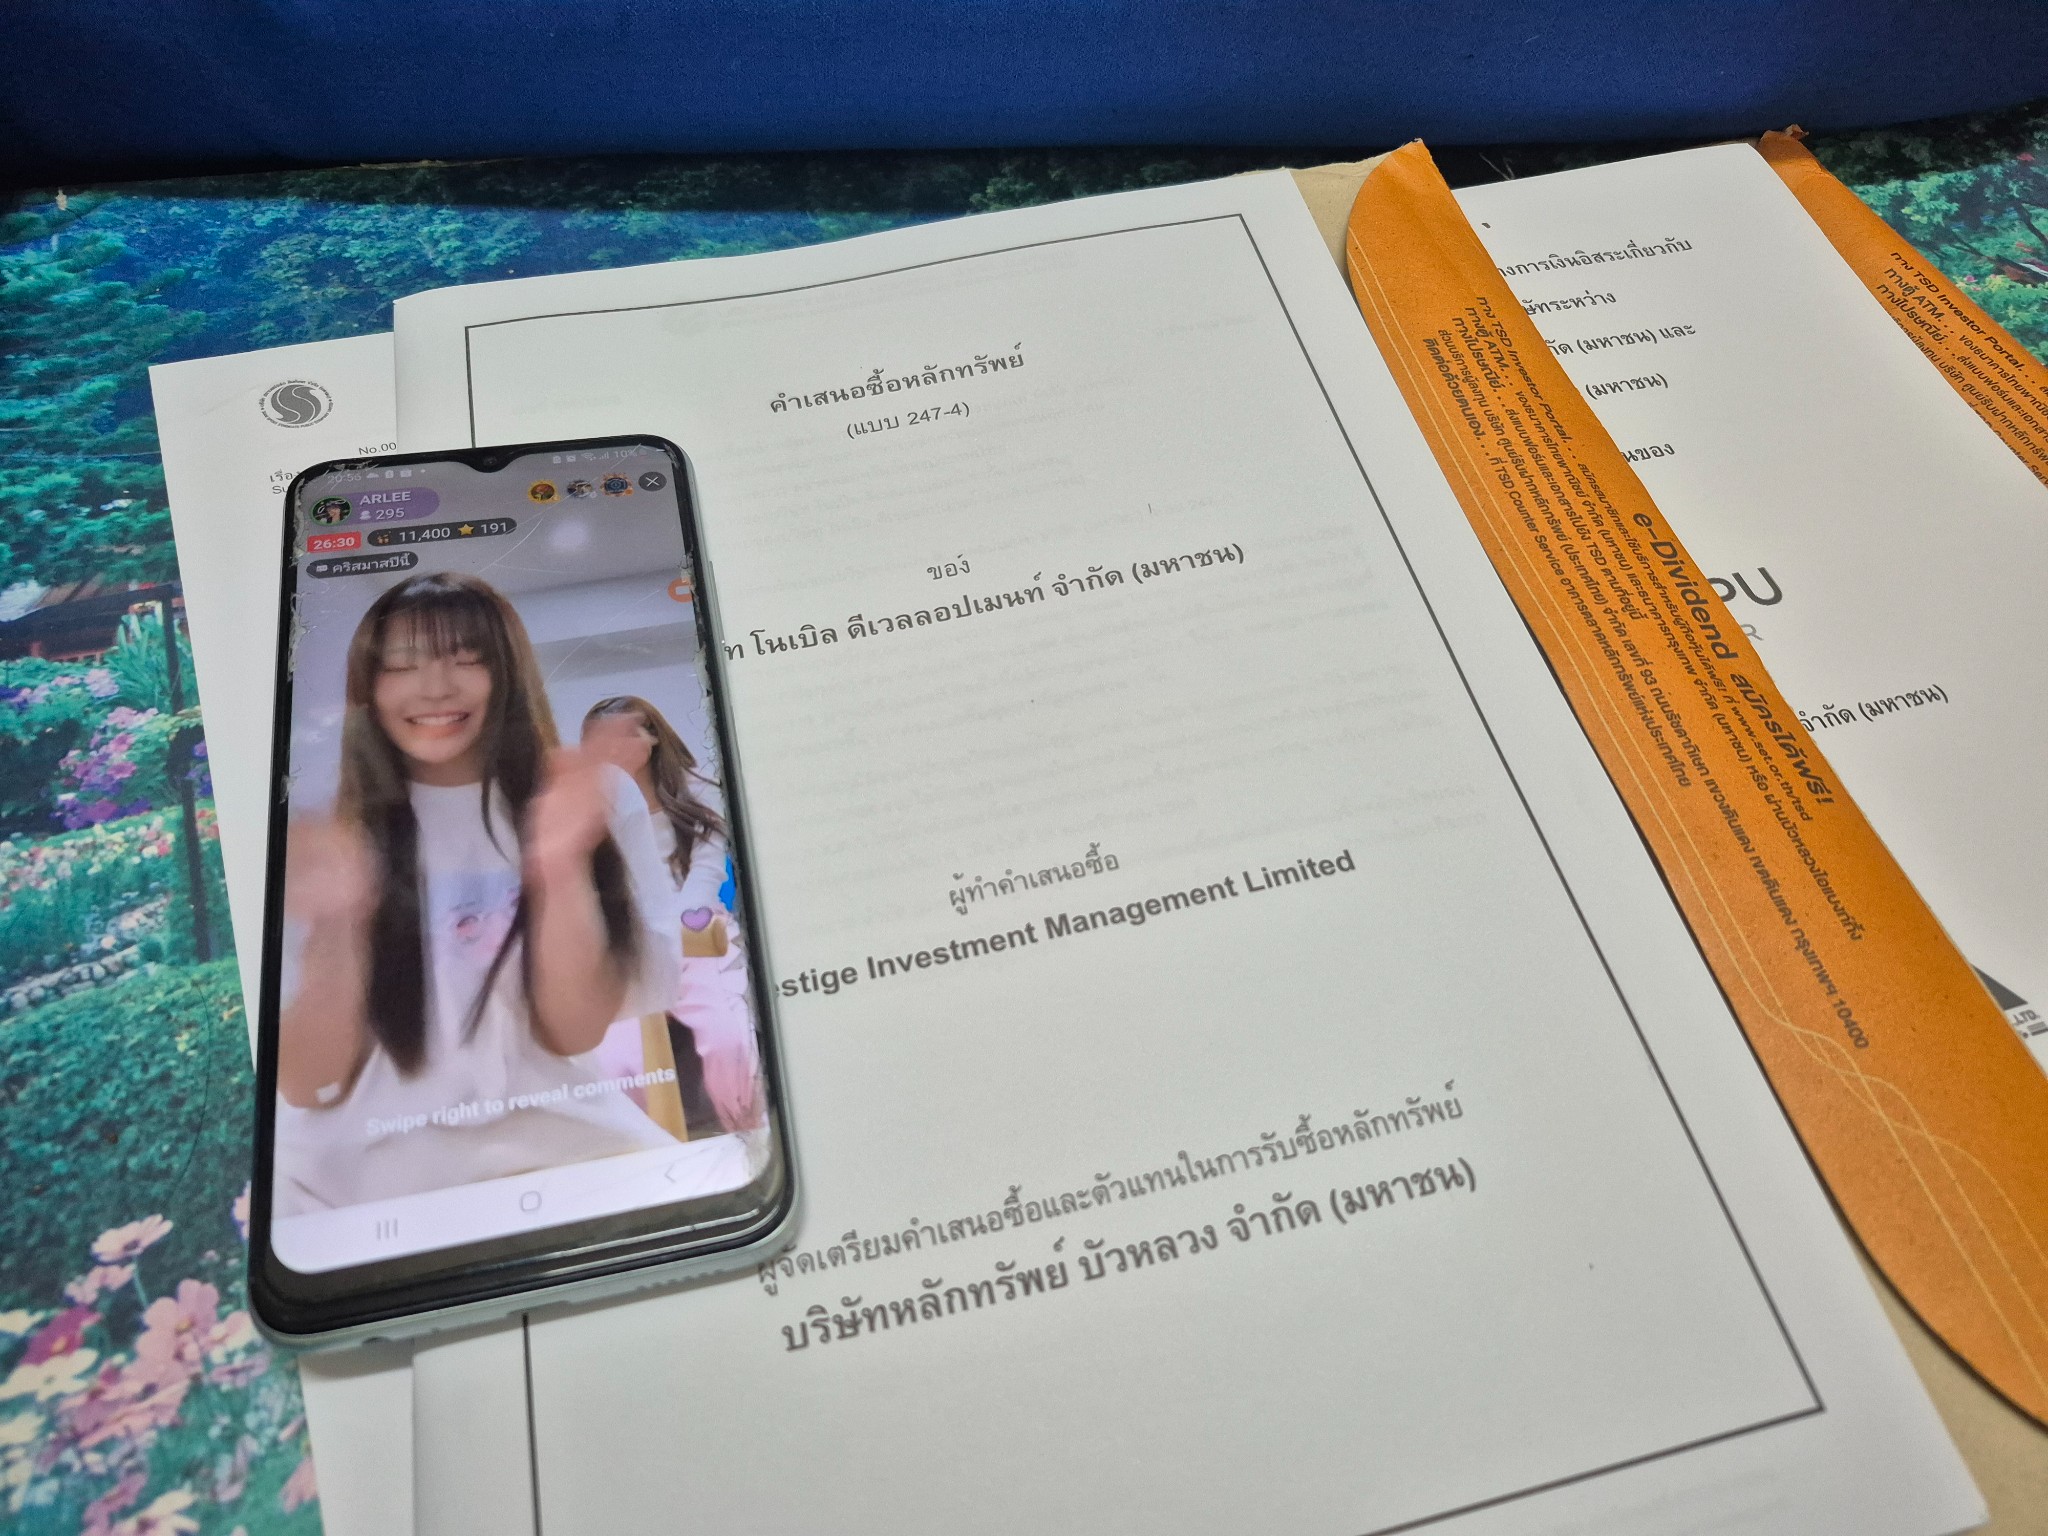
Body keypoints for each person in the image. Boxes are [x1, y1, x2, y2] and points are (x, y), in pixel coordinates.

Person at [274, 573, 685, 1215]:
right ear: (368, 686)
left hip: (553, 1131)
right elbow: (306, 1081)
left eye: (467, 659)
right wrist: (339, 925)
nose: (436, 687)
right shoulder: (325, 824)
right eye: (402, 665)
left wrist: (561, 871)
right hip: (358, 1164)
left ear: (506, 673)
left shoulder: (592, 794)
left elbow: (575, 1032)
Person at [581, 694, 763, 1134]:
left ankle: (750, 1132)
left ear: (652, 739)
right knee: (618, 1060)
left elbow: (706, 874)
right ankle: (645, 1146)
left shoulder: (700, 792)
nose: (610, 751)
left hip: (698, 932)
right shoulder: (590, 806)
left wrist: (672, 938)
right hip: (628, 941)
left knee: (728, 1037)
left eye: (622, 738)